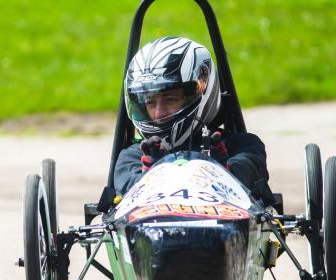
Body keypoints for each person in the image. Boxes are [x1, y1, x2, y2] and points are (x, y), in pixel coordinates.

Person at [114, 37, 269, 195]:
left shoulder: (241, 146)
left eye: (170, 99)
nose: (159, 113)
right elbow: (127, 191)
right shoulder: (134, 156)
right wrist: (150, 176)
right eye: (150, 102)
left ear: (202, 91)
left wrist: (222, 170)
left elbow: (250, 173)